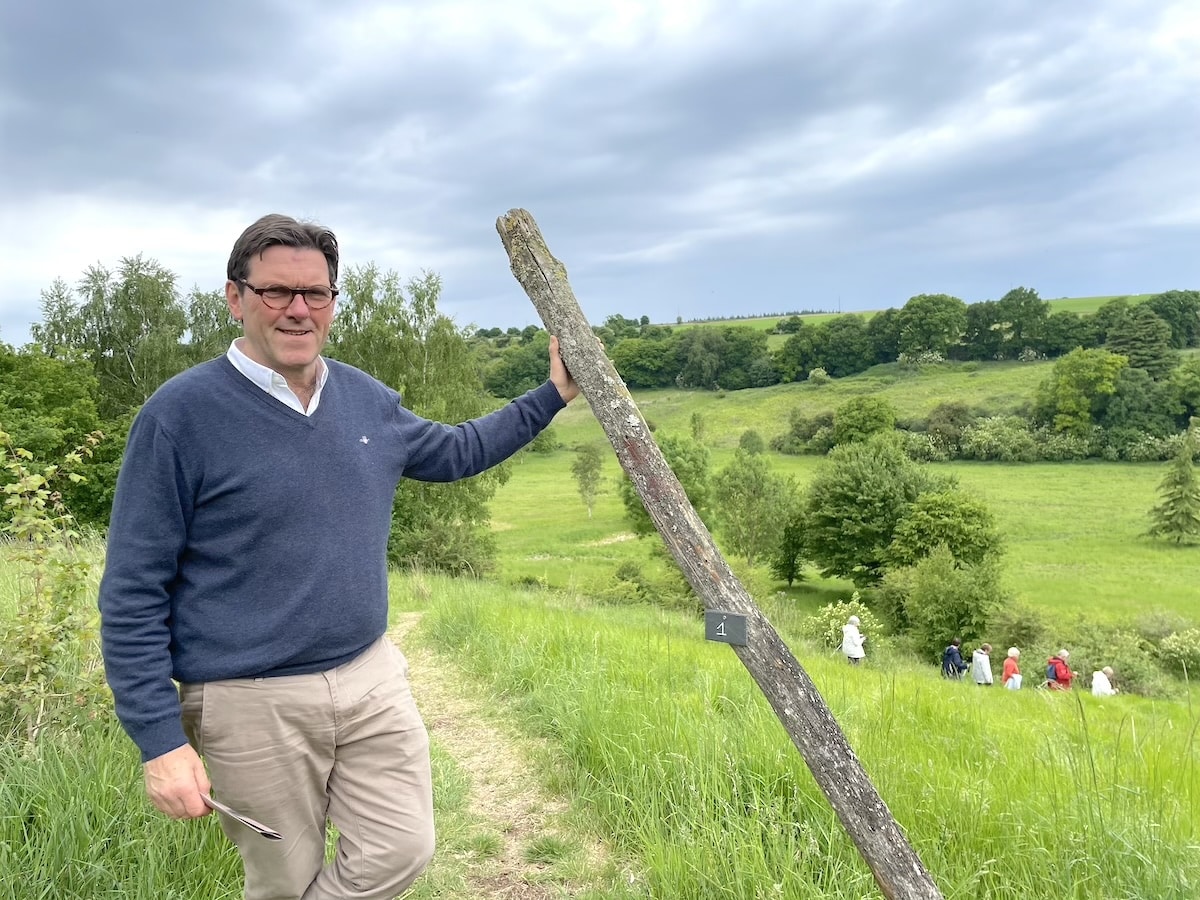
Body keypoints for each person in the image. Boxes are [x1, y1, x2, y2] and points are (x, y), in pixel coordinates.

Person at [98, 213, 580, 900]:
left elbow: (456, 451)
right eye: (276, 292)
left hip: (369, 676)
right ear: (235, 298)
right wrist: (159, 742)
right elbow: (132, 592)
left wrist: (553, 395)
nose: (298, 309)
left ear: (331, 302)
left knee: (402, 847)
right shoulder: (180, 416)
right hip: (248, 701)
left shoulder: (366, 400)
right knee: (283, 881)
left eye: (315, 293)